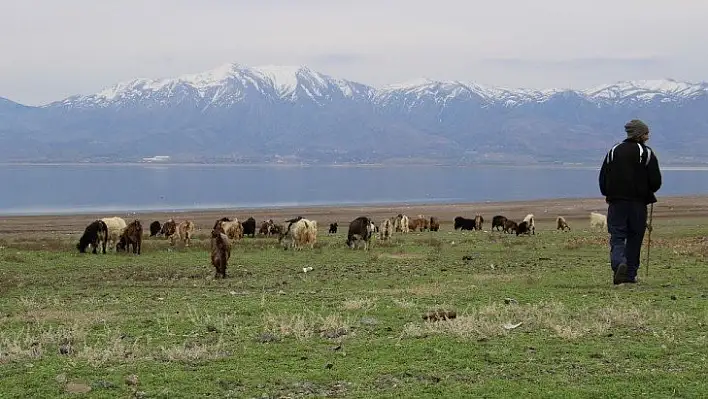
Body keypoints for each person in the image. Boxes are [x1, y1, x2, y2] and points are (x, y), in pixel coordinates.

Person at [599, 119, 662, 284]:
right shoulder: (646, 153)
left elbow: (603, 178)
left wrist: (609, 193)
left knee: (617, 236)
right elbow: (655, 181)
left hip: (616, 203)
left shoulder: (614, 151)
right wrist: (647, 190)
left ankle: (619, 263)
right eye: (646, 133)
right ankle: (629, 275)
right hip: (638, 204)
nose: (648, 137)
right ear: (640, 134)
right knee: (635, 237)